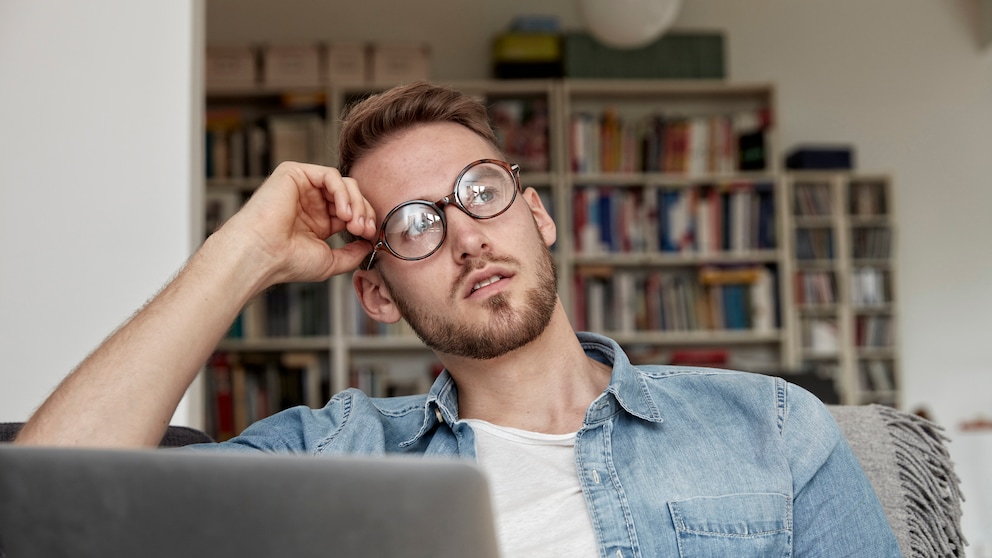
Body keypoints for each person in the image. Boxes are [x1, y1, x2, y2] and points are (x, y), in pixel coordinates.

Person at [15, 82, 902, 557]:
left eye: (482, 193)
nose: (467, 237)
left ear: (539, 216)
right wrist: (242, 251)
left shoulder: (772, 427)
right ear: (375, 293)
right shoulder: (331, 457)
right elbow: (37, 512)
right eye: (415, 225)